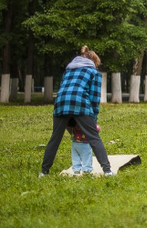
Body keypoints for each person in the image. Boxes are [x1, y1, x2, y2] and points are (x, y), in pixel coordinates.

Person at [40, 46, 115, 177]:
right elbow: (94, 98)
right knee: (94, 137)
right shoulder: (94, 73)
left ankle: (44, 172)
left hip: (61, 103)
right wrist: (93, 119)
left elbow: (64, 89)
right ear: (94, 62)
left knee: (55, 139)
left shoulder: (68, 71)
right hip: (80, 103)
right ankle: (107, 170)